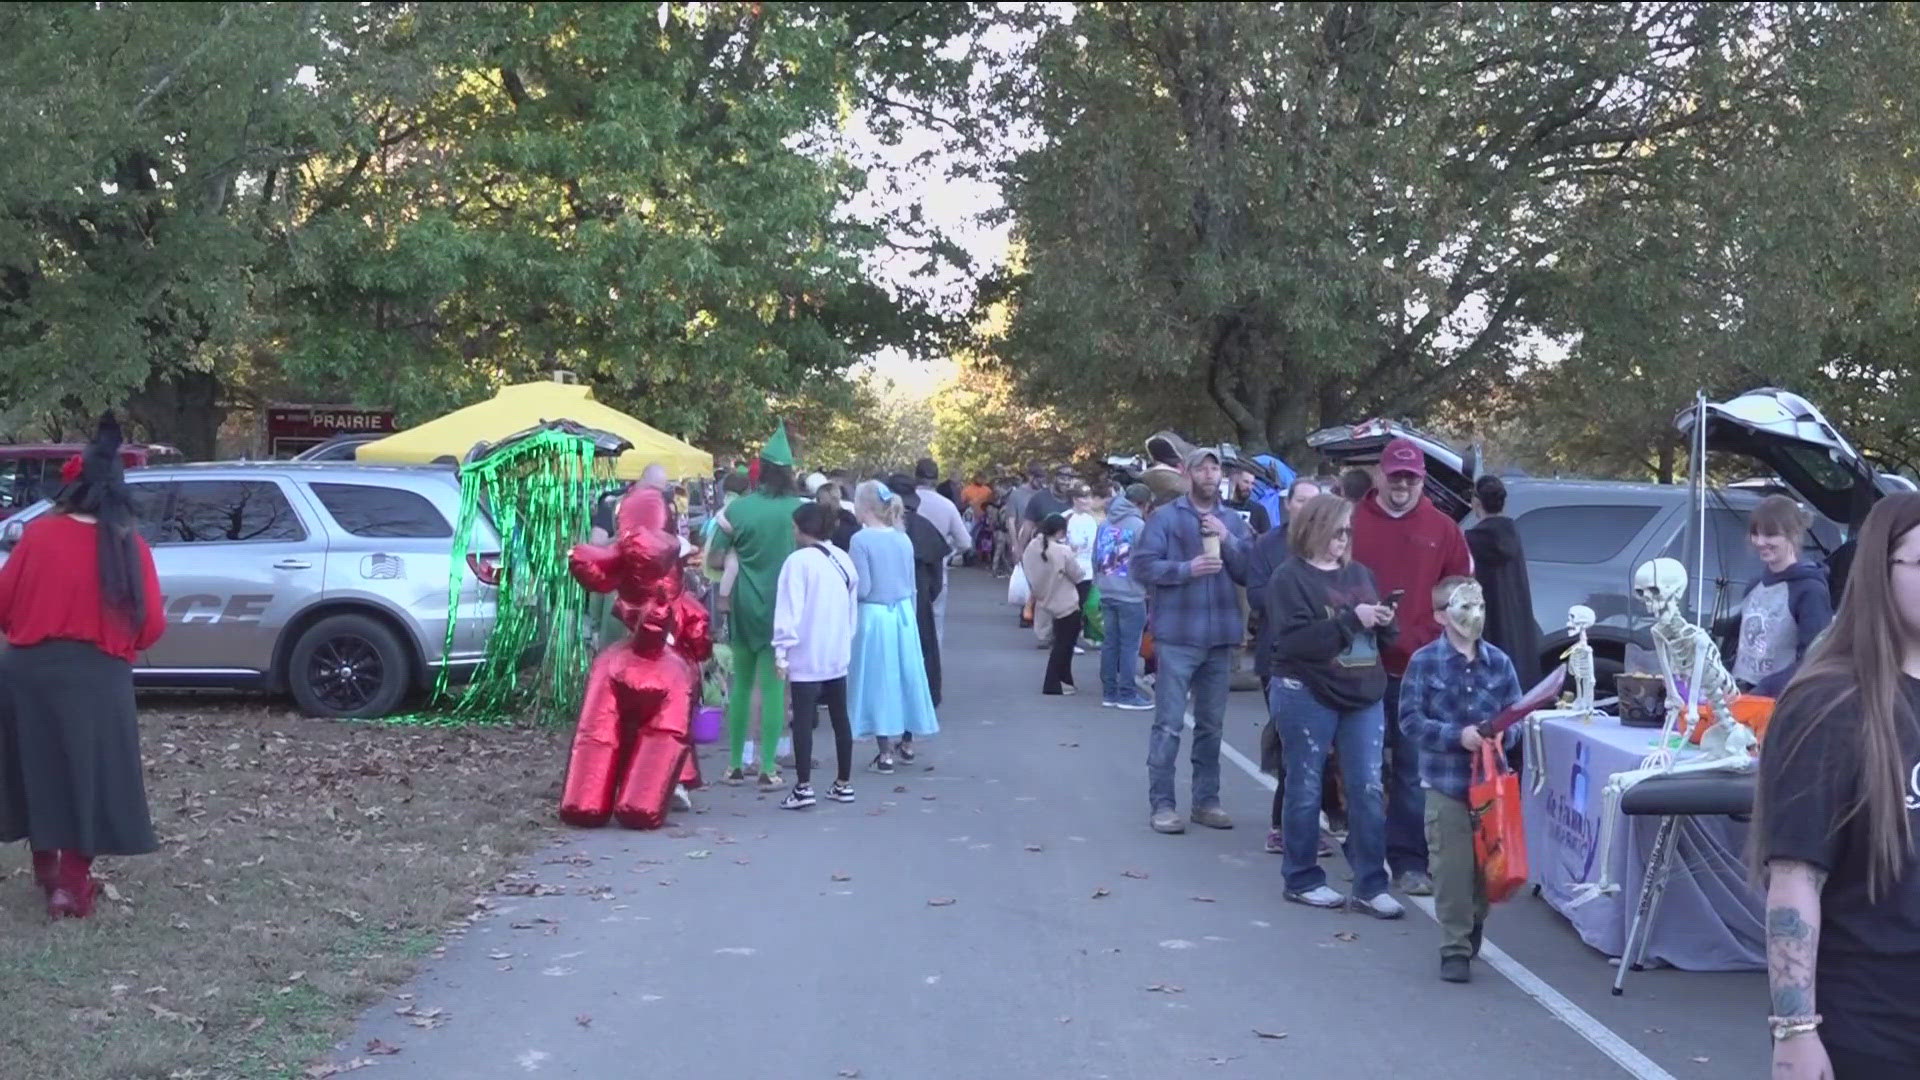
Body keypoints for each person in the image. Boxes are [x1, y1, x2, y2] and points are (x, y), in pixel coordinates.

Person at [1751, 492, 1920, 1078]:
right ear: (1881, 570)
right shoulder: (1830, 704)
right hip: (1870, 1029)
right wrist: (1795, 1030)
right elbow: (1795, 879)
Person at [0, 414, 165, 919]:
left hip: (28, 671)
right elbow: (151, 625)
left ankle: (46, 866)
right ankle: (71, 885)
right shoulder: (128, 546)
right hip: (98, 675)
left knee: (36, 767)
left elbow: (3, 606)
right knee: (88, 776)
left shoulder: (38, 537)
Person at [1264, 493, 1400, 918]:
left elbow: (1378, 639)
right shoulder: (1289, 578)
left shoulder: (1360, 573)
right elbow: (1295, 643)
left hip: (1362, 692)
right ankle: (1302, 878)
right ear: (1315, 529)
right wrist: (1350, 620)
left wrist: (1385, 623)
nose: (1344, 539)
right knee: (1304, 785)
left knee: (1368, 787)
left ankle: (1369, 884)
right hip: (1305, 691)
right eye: (1337, 530)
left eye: (1348, 531)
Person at [1350, 436, 1473, 897]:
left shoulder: (1443, 530)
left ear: (1421, 480)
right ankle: (1363, 857)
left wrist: (1440, 638)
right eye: (1395, 475)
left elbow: (1461, 593)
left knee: (1410, 770)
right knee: (1361, 768)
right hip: (1356, 664)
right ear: (1380, 475)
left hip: (1417, 669)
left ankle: (1408, 862)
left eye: (1411, 477)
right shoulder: (1351, 521)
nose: (1401, 484)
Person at [1400, 576, 1523, 981]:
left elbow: (1517, 716)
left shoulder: (1500, 663)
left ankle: (1473, 919)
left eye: (1480, 606)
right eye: (1463, 607)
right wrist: (1458, 736)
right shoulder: (1424, 662)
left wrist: (1505, 733)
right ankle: (1453, 945)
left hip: (1490, 789)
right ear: (1440, 615)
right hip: (1446, 786)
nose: (1475, 616)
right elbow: (1410, 721)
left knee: (1485, 867)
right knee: (1450, 868)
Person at [1131, 446, 1253, 834]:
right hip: (1178, 636)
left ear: (1223, 476)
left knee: (1211, 725)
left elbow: (1251, 570)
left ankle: (1206, 801)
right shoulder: (1166, 518)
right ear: (1187, 473)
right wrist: (1187, 568)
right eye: (1202, 468)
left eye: (1215, 468)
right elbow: (1142, 566)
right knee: (1168, 724)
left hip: (1220, 638)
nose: (1210, 475)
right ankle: (1163, 804)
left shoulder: (1232, 519)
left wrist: (1227, 538)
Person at [1247, 478, 1345, 854]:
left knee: (1319, 747)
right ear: (1288, 505)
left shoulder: (1331, 548)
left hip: (1325, 659)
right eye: (1301, 500)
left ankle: (1312, 819)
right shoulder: (1268, 545)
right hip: (1278, 658)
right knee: (1292, 744)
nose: (1307, 507)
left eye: (1314, 502)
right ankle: (1283, 826)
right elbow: (1256, 595)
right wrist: (1293, 597)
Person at [707, 423, 806, 788]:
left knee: (744, 685)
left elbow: (715, 557)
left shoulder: (738, 511)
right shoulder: (801, 512)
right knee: (778, 684)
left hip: (745, 605)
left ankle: (736, 763)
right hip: (786, 608)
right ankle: (768, 767)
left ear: (760, 472)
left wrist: (737, 560)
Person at [772, 502, 860, 810]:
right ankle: (843, 782)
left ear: (802, 528)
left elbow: (788, 610)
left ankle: (803, 786)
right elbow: (852, 609)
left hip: (806, 652)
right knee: (840, 718)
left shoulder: (797, 563)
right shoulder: (844, 559)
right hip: (836, 651)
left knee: (803, 720)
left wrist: (782, 651)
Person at [847, 481, 939, 774]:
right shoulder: (903, 539)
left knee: (878, 680)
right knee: (906, 675)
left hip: (875, 616)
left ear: (863, 508)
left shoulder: (860, 541)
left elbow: (864, 588)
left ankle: (884, 752)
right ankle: (908, 742)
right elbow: (911, 585)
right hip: (902, 615)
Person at [1727, 495, 1833, 698]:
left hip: (1781, 703)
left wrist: (1765, 689)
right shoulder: (1754, 586)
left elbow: (1815, 658)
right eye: (1755, 534)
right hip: (1742, 698)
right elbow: (1738, 649)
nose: (1760, 542)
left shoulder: (1810, 590)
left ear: (1792, 534)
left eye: (1770, 535)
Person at [1465, 475, 1541, 690]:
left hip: (1485, 625)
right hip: (1515, 624)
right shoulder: (1513, 535)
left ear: (1476, 502)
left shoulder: (1469, 541)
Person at [888, 475, 950, 709]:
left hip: (890, 598)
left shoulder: (881, 531)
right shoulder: (924, 527)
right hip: (919, 594)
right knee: (923, 647)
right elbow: (937, 571)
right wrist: (926, 594)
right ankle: (924, 695)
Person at [1095, 482, 1153, 710]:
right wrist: (1148, 587)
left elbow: (1096, 556)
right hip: (1131, 593)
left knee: (1110, 643)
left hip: (1107, 589)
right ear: (1142, 504)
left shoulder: (1105, 523)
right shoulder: (1139, 526)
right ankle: (1127, 694)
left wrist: (1099, 582)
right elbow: (1146, 561)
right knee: (1129, 646)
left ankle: (1109, 692)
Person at [1024, 513, 1086, 695]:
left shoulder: (1032, 547)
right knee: (1064, 646)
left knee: (1060, 642)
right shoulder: (1062, 551)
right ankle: (1054, 683)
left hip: (1044, 598)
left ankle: (1066, 681)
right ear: (1060, 532)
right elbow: (1078, 574)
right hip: (1066, 601)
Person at [914, 458, 973, 646]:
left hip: (907, 570)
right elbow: (965, 542)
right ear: (937, 479)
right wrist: (948, 553)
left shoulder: (903, 503)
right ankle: (933, 670)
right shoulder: (947, 506)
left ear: (916, 477)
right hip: (937, 570)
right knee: (935, 623)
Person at [1222, 463, 1273, 535]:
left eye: (1252, 483)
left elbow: (1267, 539)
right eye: (1246, 482)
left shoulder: (1259, 510)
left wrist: (1254, 534)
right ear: (1235, 481)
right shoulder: (1222, 506)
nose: (1249, 487)